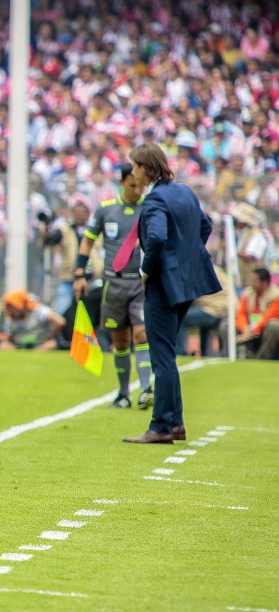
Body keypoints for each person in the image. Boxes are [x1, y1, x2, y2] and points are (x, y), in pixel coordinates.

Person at [124, 143, 221, 445]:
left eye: (135, 167)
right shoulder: (184, 191)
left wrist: (146, 270)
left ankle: (161, 426)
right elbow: (205, 226)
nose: (133, 173)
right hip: (187, 283)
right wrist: (185, 256)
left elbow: (155, 237)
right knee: (167, 353)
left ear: (146, 167)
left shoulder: (154, 199)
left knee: (161, 356)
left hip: (163, 285)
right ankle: (176, 425)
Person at [74, 166, 153, 409]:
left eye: (140, 185)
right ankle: (123, 394)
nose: (137, 190)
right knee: (120, 340)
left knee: (141, 334)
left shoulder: (150, 209)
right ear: (122, 183)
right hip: (113, 283)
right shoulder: (105, 209)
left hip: (140, 283)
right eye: (132, 185)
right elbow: (87, 242)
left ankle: (146, 390)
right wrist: (79, 273)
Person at [43, 201, 91, 316]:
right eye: (76, 213)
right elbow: (49, 242)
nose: (79, 215)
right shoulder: (64, 230)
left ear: (88, 214)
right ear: (72, 214)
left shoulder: (94, 229)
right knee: (62, 311)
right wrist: (45, 231)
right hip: (69, 277)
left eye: (82, 213)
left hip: (91, 278)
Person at [175, 264, 230, 357]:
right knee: (197, 318)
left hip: (216, 308)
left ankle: (179, 352)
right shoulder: (211, 268)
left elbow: (189, 296)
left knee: (180, 317)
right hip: (223, 307)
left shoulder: (198, 270)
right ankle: (205, 353)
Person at [235, 267, 279, 359]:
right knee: (226, 325)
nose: (252, 283)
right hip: (248, 328)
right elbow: (241, 314)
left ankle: (261, 359)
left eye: (255, 281)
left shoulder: (276, 295)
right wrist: (244, 328)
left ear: (265, 283)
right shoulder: (248, 292)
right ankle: (232, 356)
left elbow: (268, 317)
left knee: (273, 326)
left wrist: (253, 331)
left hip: (264, 329)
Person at [0, 290, 65, 350]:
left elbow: (60, 321)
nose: (10, 309)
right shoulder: (12, 318)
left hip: (40, 345)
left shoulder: (39, 311)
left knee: (51, 344)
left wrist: (50, 338)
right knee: (3, 345)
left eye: (12, 306)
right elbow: (9, 337)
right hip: (19, 346)